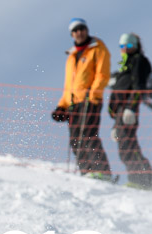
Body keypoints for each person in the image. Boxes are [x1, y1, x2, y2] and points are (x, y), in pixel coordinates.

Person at [51, 18, 112, 180]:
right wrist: (61, 106)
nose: (79, 32)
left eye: (82, 29)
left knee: (88, 134)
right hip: (73, 103)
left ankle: (102, 171)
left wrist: (93, 95)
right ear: (72, 34)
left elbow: (103, 74)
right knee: (75, 139)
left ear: (86, 30)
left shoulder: (97, 48)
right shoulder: (71, 56)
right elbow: (69, 85)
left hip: (90, 99)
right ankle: (87, 172)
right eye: (76, 30)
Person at [108, 33, 152, 191]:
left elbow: (139, 86)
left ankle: (144, 180)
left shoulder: (138, 61)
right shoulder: (124, 67)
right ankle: (142, 180)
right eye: (122, 46)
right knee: (125, 147)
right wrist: (115, 124)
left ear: (136, 46)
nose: (125, 49)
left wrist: (131, 107)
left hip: (129, 109)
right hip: (120, 113)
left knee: (129, 146)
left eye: (129, 46)